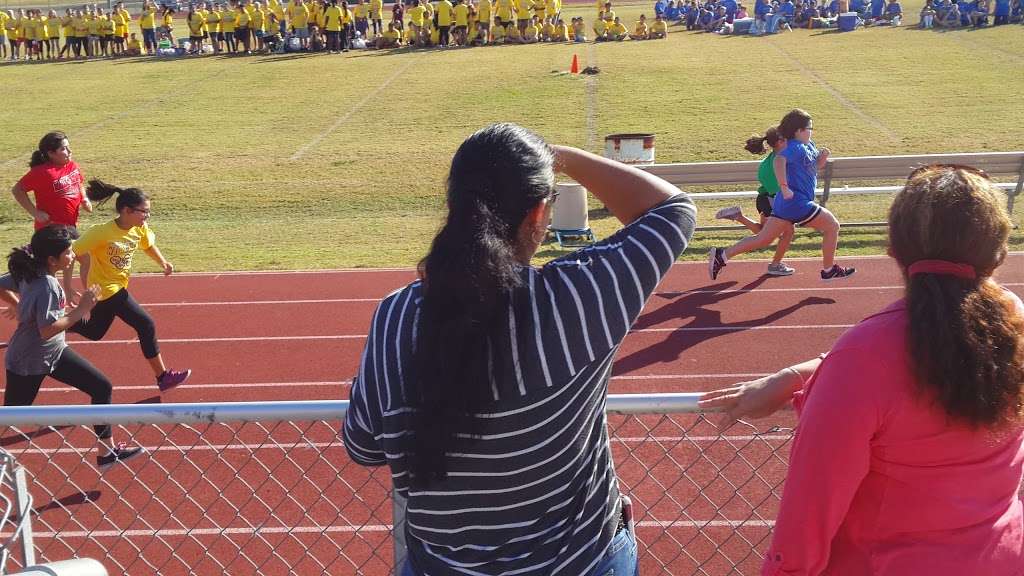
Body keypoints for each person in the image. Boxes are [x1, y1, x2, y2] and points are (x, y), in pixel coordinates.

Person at [343, 123, 696, 575]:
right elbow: (673, 210)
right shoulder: (580, 297)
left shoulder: (396, 318)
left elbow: (364, 445)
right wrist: (560, 155)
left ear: (454, 206)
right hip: (581, 563)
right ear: (538, 214)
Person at [700, 165, 1024, 575]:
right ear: (999, 253)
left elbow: (808, 517)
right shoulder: (1013, 323)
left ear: (893, 250)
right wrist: (806, 372)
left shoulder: (865, 357)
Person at [0, 226, 144, 470]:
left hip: (54, 352)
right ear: (51, 259)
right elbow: (47, 330)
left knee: (101, 386)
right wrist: (82, 309)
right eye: (68, 252)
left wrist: (20, 306)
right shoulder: (46, 284)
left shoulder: (29, 269)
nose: (72, 256)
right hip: (29, 361)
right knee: (11, 415)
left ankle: (106, 452)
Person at [69, 179, 191, 393]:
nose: (147, 216)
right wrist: (73, 281)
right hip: (107, 289)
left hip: (116, 285)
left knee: (95, 332)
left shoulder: (139, 228)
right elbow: (71, 253)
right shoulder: (101, 232)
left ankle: (54, 325)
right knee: (146, 324)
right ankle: (163, 377)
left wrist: (162, 262)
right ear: (126, 210)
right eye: (143, 211)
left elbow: (148, 245)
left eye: (148, 212)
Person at [709, 109, 854, 281]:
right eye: (809, 128)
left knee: (763, 239)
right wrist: (784, 187)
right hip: (796, 203)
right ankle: (829, 270)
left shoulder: (809, 145)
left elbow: (813, 168)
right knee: (832, 226)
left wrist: (822, 158)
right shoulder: (794, 147)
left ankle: (722, 255)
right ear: (798, 131)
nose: (811, 132)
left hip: (785, 205)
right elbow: (779, 161)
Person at [11, 132, 92, 296]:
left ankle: (75, 291)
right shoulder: (42, 172)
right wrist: (34, 212)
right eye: (64, 148)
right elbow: (17, 190)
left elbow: (79, 182)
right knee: (55, 265)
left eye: (69, 147)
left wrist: (84, 198)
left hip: (69, 226)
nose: (69, 151)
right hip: (50, 229)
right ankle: (54, 295)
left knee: (79, 258)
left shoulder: (72, 166)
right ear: (51, 153)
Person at [715, 128, 795, 276]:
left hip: (764, 199)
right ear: (779, 142)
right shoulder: (779, 162)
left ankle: (738, 216)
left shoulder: (770, 160)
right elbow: (778, 190)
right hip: (773, 199)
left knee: (764, 235)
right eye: (787, 139)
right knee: (783, 233)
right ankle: (724, 255)